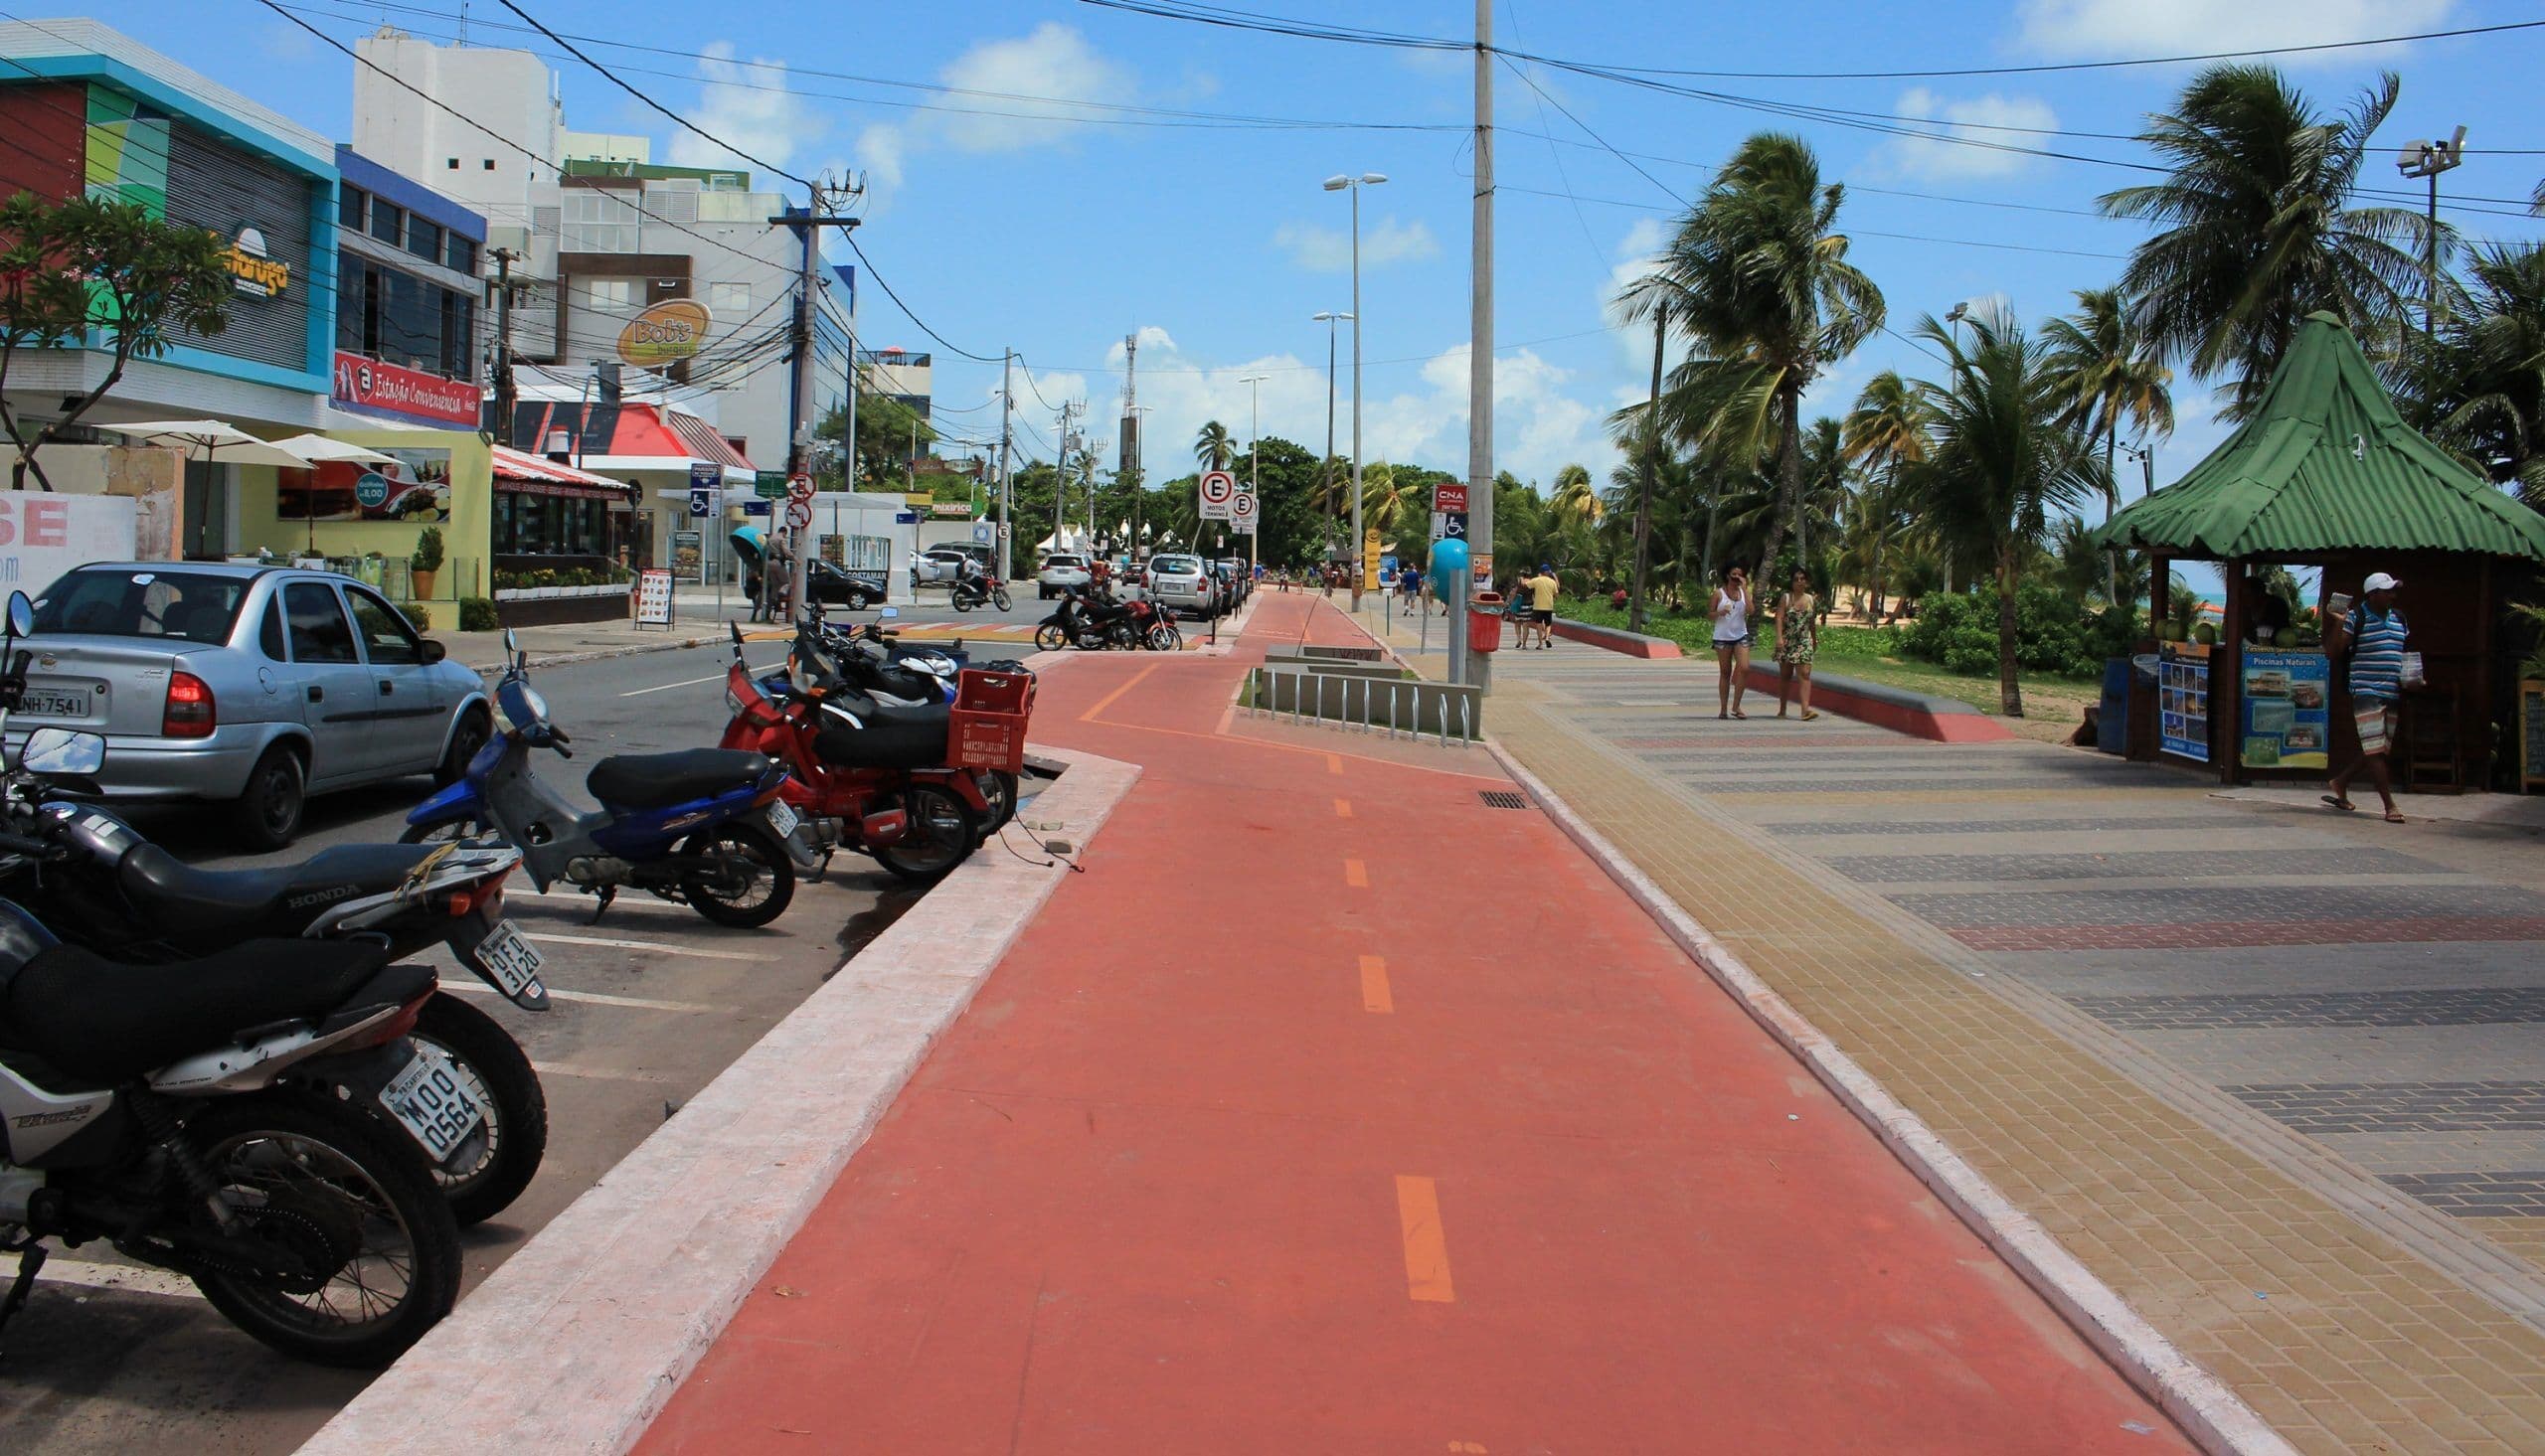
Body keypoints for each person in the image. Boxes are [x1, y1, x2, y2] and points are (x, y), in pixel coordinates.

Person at [2322, 570, 2410, 823]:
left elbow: (2401, 655)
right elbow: (2332, 652)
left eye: (2394, 590)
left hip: (2391, 691)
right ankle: (2390, 806)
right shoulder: (2357, 617)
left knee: (2378, 748)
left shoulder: (2400, 619)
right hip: (2365, 690)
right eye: (2387, 591)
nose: (2393, 595)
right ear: (2372, 595)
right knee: (2374, 750)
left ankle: (2340, 781)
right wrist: (2339, 621)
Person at [1775, 566, 1819, 720]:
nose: (1799, 582)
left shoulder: (1811, 599)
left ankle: (1805, 710)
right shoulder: (1786, 598)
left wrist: (1814, 638)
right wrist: (1779, 638)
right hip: (1788, 640)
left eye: (1802, 579)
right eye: (1796, 579)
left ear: (1806, 582)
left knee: (1805, 674)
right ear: (1792, 582)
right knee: (1785, 675)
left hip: (1804, 641)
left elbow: (1811, 621)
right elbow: (1779, 618)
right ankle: (1782, 708)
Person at [1710, 565, 1755, 720]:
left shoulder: (1743, 593)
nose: (1736, 577)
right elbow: (1709, 614)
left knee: (1744, 667)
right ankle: (1723, 708)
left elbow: (1751, 611)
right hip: (1722, 637)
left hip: (1740, 635)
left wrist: (1746, 589)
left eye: (1739, 574)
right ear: (1728, 576)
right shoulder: (1719, 593)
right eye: (1734, 574)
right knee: (1725, 672)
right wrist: (1719, 612)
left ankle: (1736, 705)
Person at [1522, 564, 1561, 650]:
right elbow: (1557, 594)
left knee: (1539, 625)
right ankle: (1547, 637)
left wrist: (1522, 579)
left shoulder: (1536, 580)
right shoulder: (1552, 582)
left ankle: (1540, 644)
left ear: (1541, 572)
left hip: (1538, 606)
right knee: (1548, 624)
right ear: (1548, 572)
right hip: (1549, 605)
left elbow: (1526, 585)